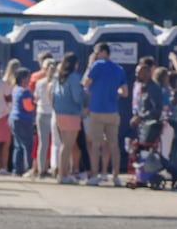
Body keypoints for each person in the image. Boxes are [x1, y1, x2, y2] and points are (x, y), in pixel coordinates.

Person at [84, 43, 126, 186]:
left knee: (95, 145)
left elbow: (85, 82)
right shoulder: (119, 69)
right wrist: (114, 92)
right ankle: (115, 176)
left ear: (102, 52)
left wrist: (90, 63)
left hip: (96, 110)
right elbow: (125, 92)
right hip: (112, 111)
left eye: (96, 52)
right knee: (114, 145)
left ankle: (95, 176)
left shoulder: (97, 66)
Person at [51, 54, 85, 183]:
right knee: (68, 145)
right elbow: (77, 97)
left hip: (60, 113)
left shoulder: (57, 77)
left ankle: (63, 173)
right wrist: (84, 96)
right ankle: (63, 174)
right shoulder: (74, 77)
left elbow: (53, 95)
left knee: (64, 145)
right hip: (72, 112)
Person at [31, 57, 57, 179]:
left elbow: (35, 99)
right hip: (54, 113)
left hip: (41, 113)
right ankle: (56, 168)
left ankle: (41, 169)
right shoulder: (57, 82)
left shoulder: (39, 83)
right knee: (57, 143)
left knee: (43, 142)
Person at [9, 67, 35, 176]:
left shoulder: (15, 89)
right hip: (23, 120)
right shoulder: (25, 92)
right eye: (29, 77)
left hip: (14, 119)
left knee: (18, 145)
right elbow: (28, 107)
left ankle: (17, 169)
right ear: (24, 79)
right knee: (28, 145)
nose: (30, 79)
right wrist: (36, 105)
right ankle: (29, 168)